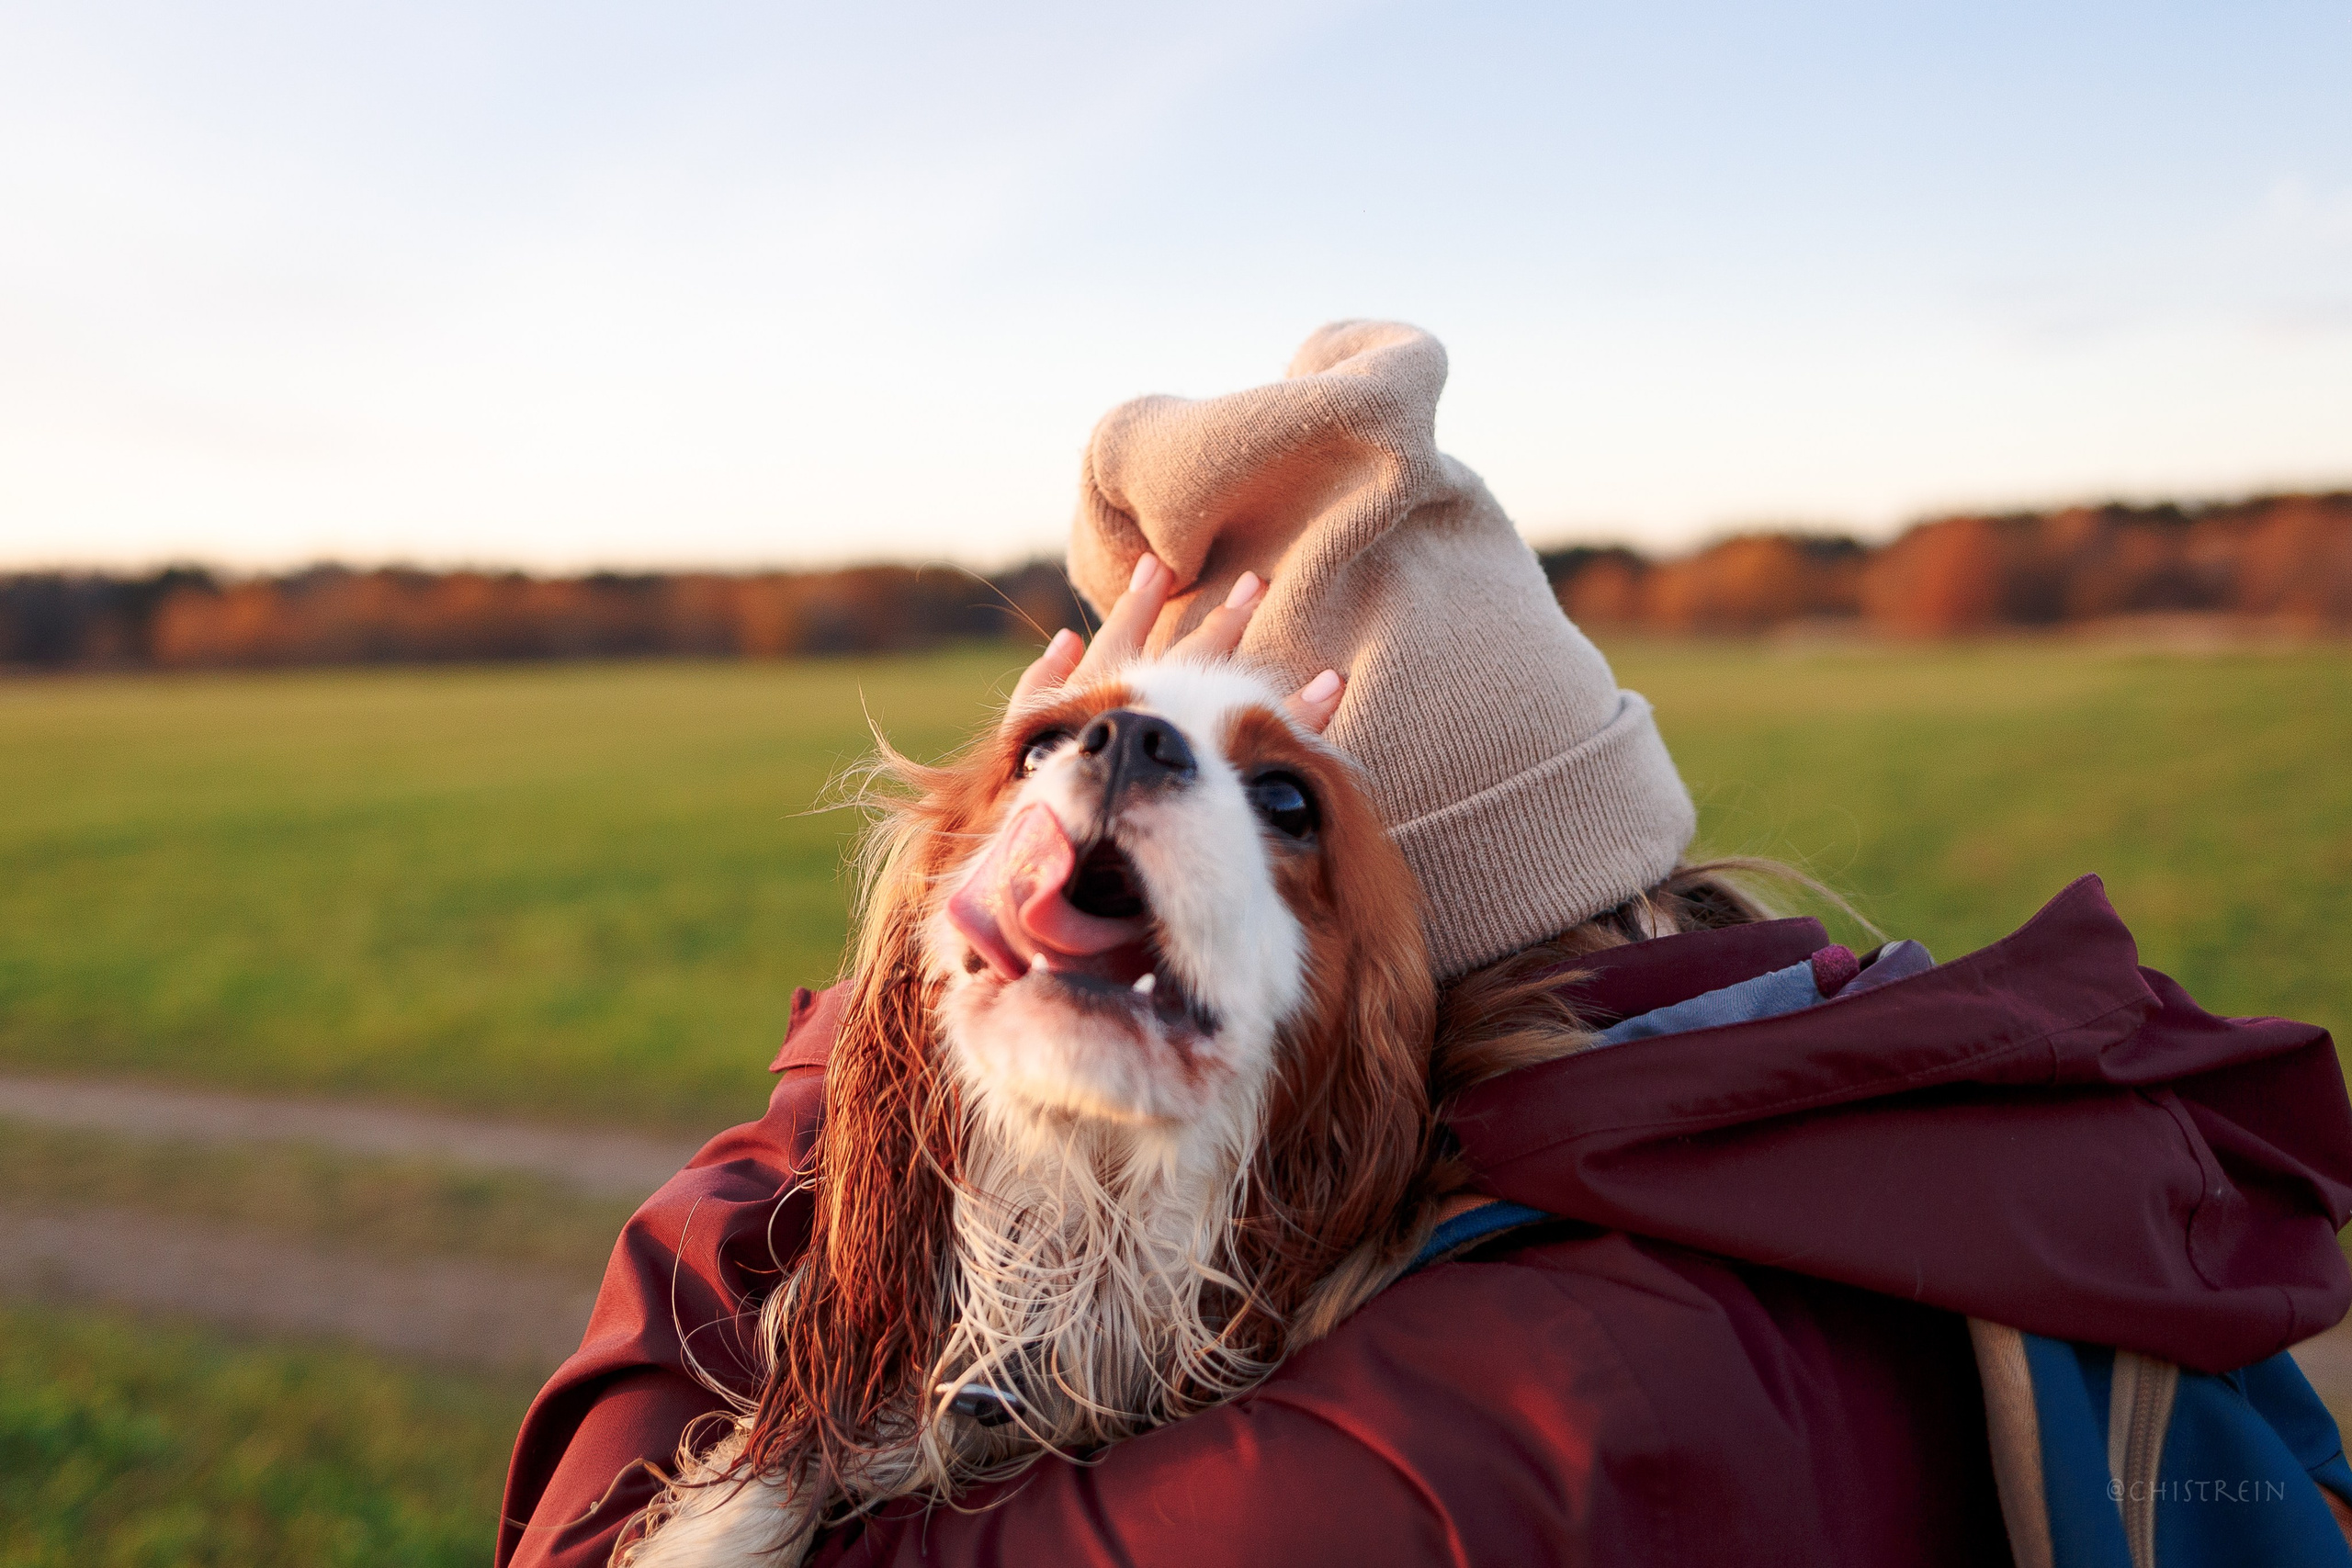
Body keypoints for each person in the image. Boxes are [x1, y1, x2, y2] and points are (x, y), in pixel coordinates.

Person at [498, 323, 2352, 1567]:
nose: (1088, 766)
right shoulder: (1793, 1106)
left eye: (1289, 801)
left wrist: (909, 980)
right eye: (1067, 749)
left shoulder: (1528, 1397)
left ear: (1398, 962)